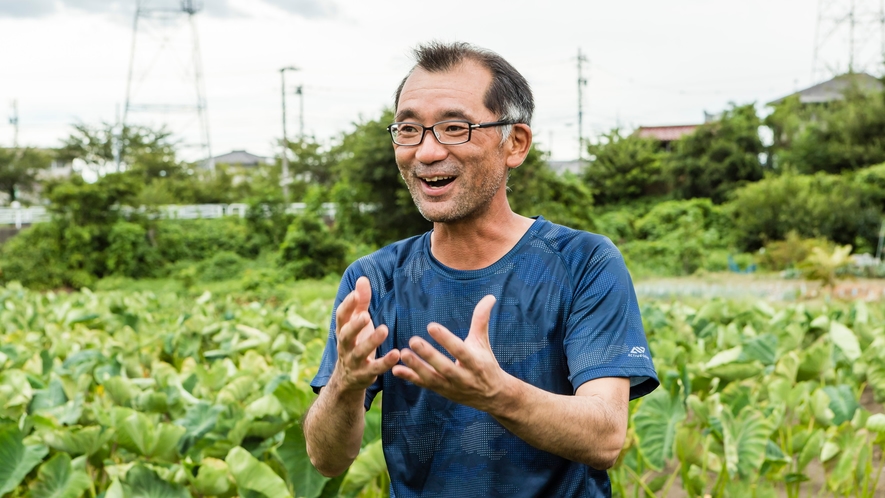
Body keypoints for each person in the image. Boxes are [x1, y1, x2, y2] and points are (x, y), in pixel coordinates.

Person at [304, 41, 659, 497]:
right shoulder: (375, 281)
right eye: (409, 130)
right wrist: (345, 384)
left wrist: (496, 392)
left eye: (455, 127)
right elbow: (325, 459)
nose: (426, 152)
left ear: (515, 143)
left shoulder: (582, 262)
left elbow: (605, 435)